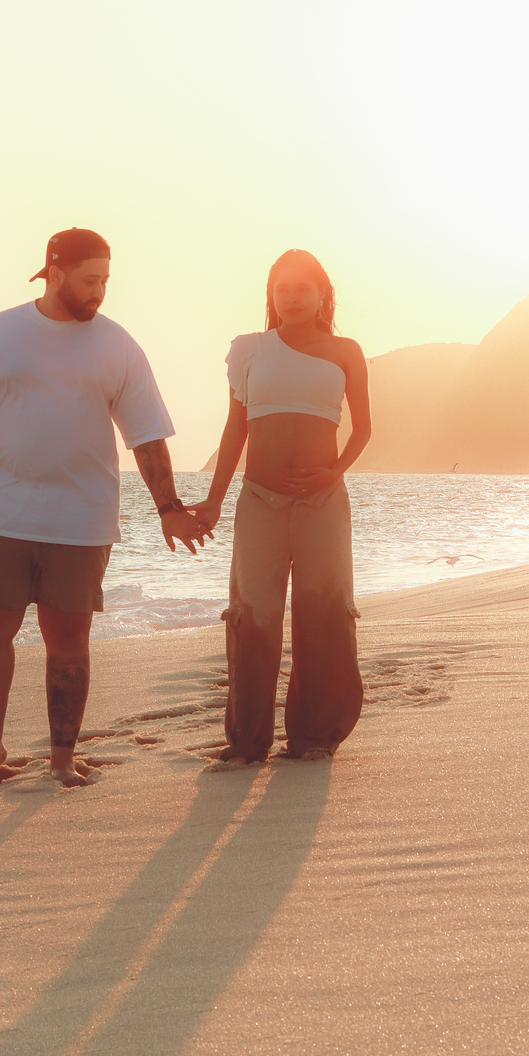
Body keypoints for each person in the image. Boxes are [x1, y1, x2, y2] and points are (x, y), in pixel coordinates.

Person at [0, 227, 208, 789]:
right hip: (1, 514)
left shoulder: (117, 346)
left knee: (69, 641)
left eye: (106, 280)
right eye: (89, 280)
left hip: (82, 520)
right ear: (54, 273)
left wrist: (169, 507)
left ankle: (62, 757)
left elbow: (147, 437)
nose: (99, 292)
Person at [190, 249, 371, 762]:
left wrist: (333, 472)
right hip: (260, 501)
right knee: (253, 617)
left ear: (322, 295)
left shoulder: (346, 351)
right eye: (282, 289)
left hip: (323, 502)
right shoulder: (249, 351)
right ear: (271, 295)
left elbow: (365, 428)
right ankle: (247, 741)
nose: (292, 298)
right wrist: (213, 501)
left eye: (303, 289)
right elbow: (234, 429)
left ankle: (315, 736)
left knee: (326, 614)